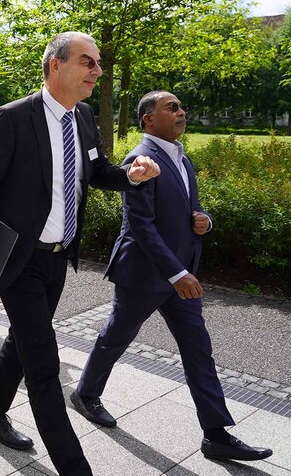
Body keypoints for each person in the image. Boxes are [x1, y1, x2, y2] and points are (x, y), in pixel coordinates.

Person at [0, 31, 160, 475]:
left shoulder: (83, 116)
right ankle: (74, 466)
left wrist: (132, 175)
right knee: (44, 363)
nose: (98, 71)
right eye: (88, 62)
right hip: (18, 259)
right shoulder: (13, 117)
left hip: (59, 255)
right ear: (55, 65)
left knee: (23, 339)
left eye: (98, 63)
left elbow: (97, 170)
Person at [70, 91, 273, 463]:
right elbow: (141, 226)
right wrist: (177, 273)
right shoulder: (139, 159)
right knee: (116, 337)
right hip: (143, 274)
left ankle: (216, 435)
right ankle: (85, 394)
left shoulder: (182, 157)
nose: (182, 112)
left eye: (181, 107)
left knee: (198, 351)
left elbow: (192, 208)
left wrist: (205, 220)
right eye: (172, 107)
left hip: (181, 275)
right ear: (148, 119)